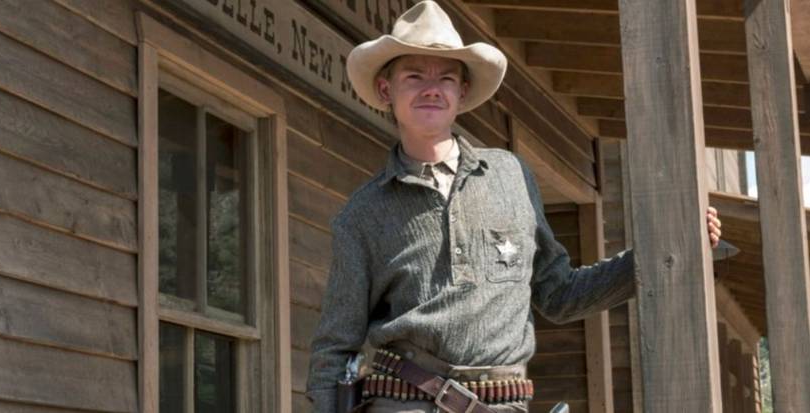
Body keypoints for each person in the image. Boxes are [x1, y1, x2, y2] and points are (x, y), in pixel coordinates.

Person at [306, 2, 722, 412]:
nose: (431, 88)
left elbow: (559, 294)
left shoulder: (511, 176)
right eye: (414, 76)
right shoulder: (361, 214)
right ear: (386, 89)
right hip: (405, 404)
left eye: (446, 78)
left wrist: (662, 250)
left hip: (503, 404)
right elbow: (334, 348)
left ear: (462, 91)